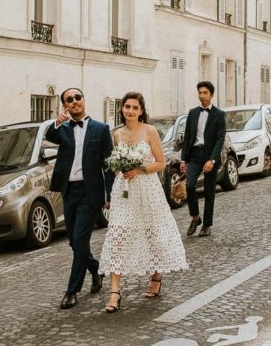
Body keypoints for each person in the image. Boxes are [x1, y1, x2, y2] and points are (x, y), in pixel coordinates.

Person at [100, 93, 189, 312]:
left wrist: (138, 169)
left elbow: (160, 163)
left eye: (134, 107)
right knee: (117, 235)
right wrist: (120, 168)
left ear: (141, 110)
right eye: (127, 107)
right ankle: (114, 292)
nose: (130, 111)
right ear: (122, 110)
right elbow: (116, 166)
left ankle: (157, 276)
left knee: (153, 233)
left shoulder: (149, 131)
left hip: (148, 189)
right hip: (124, 191)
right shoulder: (117, 134)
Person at [45, 88, 114, 310]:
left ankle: (71, 291)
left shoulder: (101, 129)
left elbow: (109, 164)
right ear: (65, 105)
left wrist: (110, 194)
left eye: (77, 98)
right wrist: (58, 121)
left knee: (81, 239)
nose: (74, 102)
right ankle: (95, 268)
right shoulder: (62, 129)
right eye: (69, 100)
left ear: (84, 100)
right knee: (74, 242)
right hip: (69, 190)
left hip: (91, 192)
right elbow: (49, 135)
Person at [180, 81, 226, 238]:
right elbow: (187, 138)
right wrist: (183, 159)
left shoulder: (219, 115)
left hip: (210, 156)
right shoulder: (193, 113)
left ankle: (207, 225)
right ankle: (195, 217)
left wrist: (212, 160)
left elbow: (220, 139)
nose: (202, 95)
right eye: (200, 92)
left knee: (209, 191)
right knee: (190, 185)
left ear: (211, 95)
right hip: (195, 155)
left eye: (205, 92)